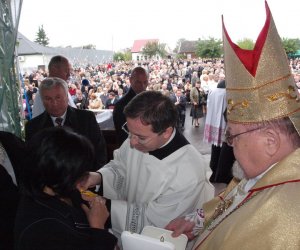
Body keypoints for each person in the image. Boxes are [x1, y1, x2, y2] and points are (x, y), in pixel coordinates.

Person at [166, 2, 300, 249]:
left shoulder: (288, 212)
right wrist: (196, 221)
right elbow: (233, 202)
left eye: (233, 136)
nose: (230, 146)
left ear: (270, 141)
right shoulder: (266, 174)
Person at [81, 91, 214, 245]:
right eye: (129, 132)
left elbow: (157, 223)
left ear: (166, 132)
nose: (131, 142)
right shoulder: (137, 137)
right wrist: (97, 177)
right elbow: (119, 167)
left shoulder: (189, 171)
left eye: (140, 137)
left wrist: (104, 207)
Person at [14, 127, 117, 250]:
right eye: (80, 172)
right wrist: (98, 228)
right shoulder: (41, 231)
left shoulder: (58, 190)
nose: (84, 176)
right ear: (60, 173)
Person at [25, 77, 107, 170]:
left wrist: (92, 179)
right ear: (42, 101)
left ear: (67, 97)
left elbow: (100, 153)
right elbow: (32, 163)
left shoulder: (86, 119)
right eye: (48, 99)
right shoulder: (33, 127)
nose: (54, 103)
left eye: (58, 97)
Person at [113, 66, 149, 146]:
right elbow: (123, 134)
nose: (143, 86)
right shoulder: (121, 105)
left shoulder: (152, 100)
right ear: (130, 80)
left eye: (145, 82)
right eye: (138, 82)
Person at [203, 80, 227, 182]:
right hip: (224, 126)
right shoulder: (227, 93)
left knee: (215, 149)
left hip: (213, 123)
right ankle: (219, 175)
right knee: (223, 152)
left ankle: (213, 173)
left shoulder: (213, 92)